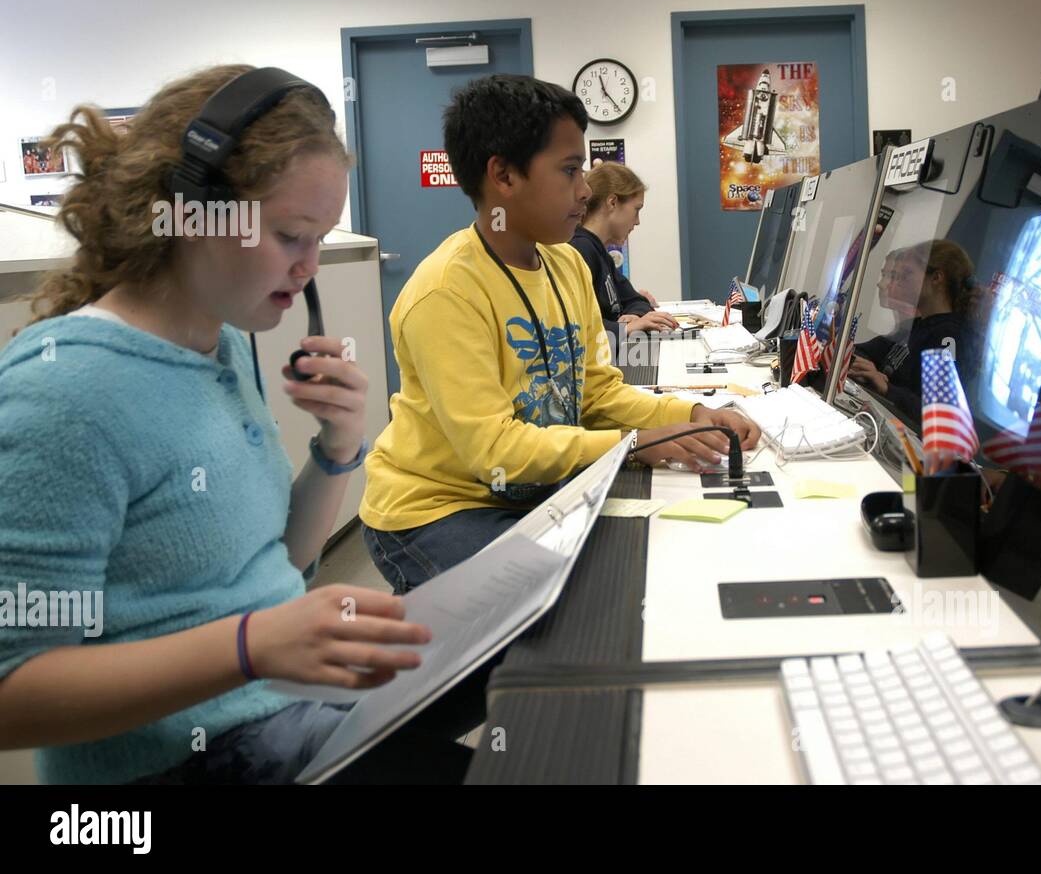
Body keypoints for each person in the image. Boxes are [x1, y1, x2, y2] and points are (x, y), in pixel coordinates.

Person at [0, 65, 465, 785]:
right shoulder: (61, 393)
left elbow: (276, 567)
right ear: (192, 211)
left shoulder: (219, 347)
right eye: (289, 236)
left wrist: (338, 451)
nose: (309, 269)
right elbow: (12, 696)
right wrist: (250, 646)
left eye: (318, 239)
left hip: (281, 717)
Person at [359, 75, 759, 593]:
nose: (586, 190)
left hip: (527, 493)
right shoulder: (446, 292)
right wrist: (636, 443)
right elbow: (497, 452)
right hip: (441, 509)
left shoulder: (565, 264)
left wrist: (687, 416)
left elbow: (597, 392)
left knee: (654, 556)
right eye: (570, 170)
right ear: (503, 175)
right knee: (571, 599)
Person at [847, 239, 980, 420]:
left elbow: (939, 412)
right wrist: (868, 369)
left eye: (907, 274)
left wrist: (887, 388)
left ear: (936, 278)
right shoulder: (916, 325)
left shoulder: (948, 336)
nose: (900, 282)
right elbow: (864, 350)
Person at [570, 162, 678, 336]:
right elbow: (576, 325)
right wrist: (625, 329)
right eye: (636, 210)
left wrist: (634, 316)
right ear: (612, 202)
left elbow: (637, 300)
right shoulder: (579, 250)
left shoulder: (599, 251)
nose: (637, 221)